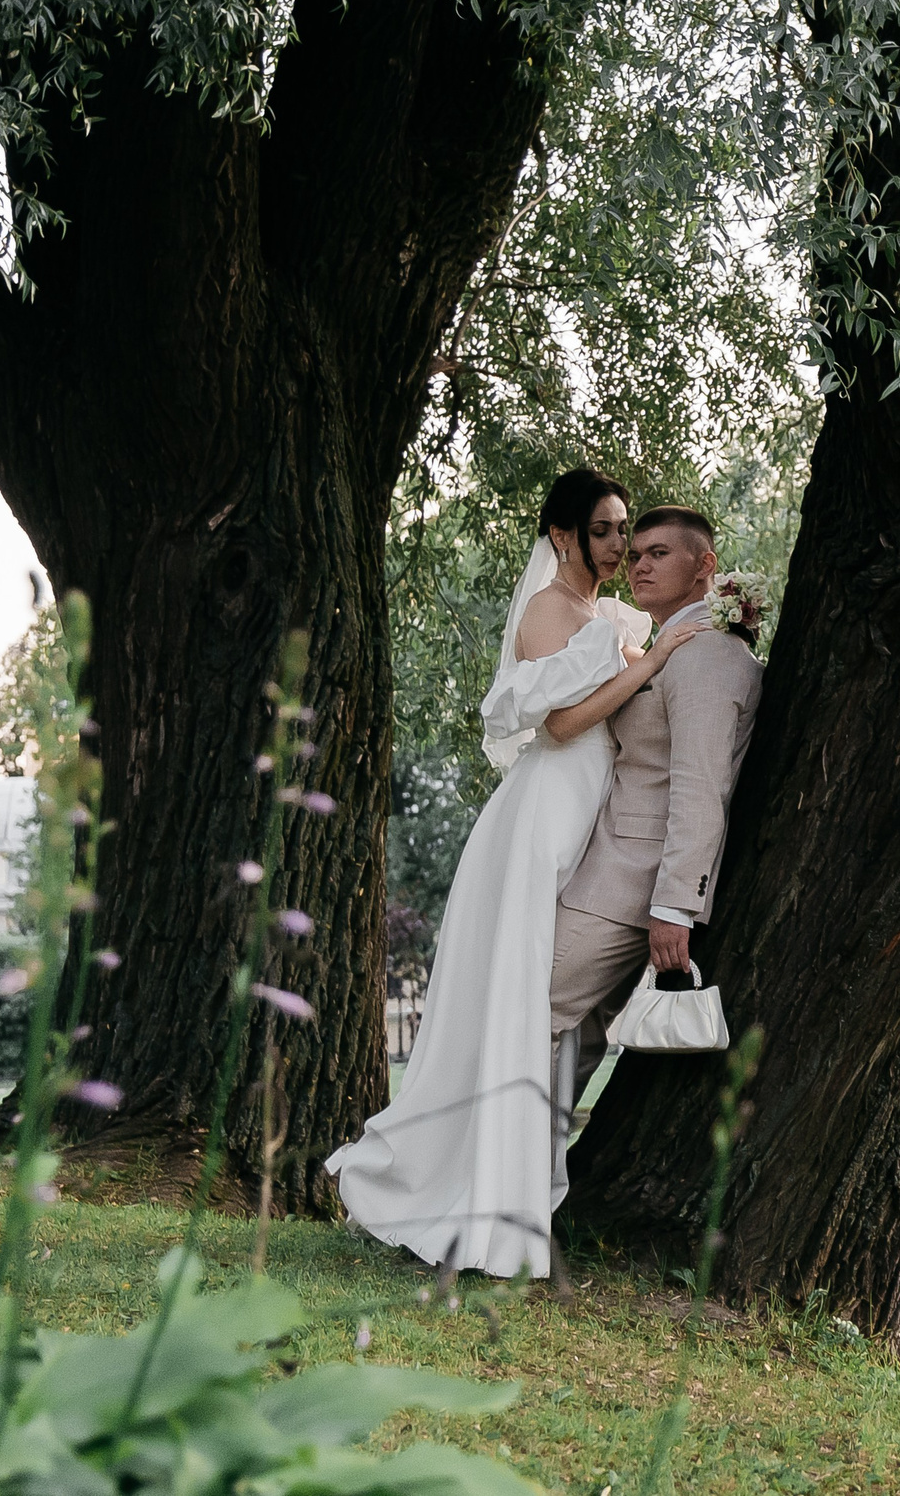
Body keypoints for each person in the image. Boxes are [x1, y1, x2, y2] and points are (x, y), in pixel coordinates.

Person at [330, 470, 701, 1278]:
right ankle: (450, 1188)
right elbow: (564, 721)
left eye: (623, 530)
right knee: (523, 988)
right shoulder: (548, 612)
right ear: (563, 536)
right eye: (603, 531)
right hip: (545, 811)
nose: (616, 546)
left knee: (543, 1000)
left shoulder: (609, 616)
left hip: (590, 810)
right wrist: (654, 654)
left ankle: (512, 1189)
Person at [547, 506, 766, 1224]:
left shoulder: (710, 654)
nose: (638, 564)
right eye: (633, 552)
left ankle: (510, 1193)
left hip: (629, 885)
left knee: (529, 1014)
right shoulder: (669, 645)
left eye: (660, 552)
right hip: (601, 868)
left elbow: (702, 787)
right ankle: (517, 1193)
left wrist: (676, 905)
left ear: (705, 566)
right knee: (564, 1037)